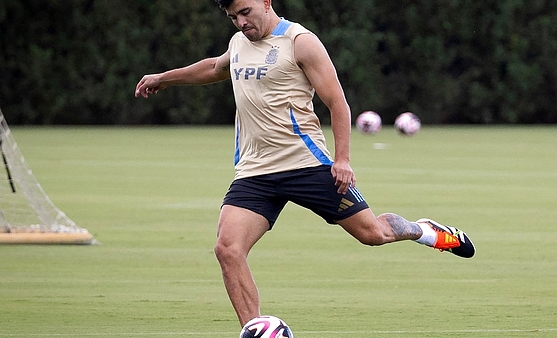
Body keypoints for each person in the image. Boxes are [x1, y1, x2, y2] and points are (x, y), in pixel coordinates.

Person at [135, 0, 475, 328]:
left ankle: (425, 230)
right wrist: (164, 78)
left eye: (245, 12)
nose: (241, 22)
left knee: (373, 234)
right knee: (228, 249)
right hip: (255, 173)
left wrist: (342, 159)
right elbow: (214, 68)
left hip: (307, 165)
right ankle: (255, 330)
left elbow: (337, 102)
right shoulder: (239, 42)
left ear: (266, 2)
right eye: (233, 17)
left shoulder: (300, 42)